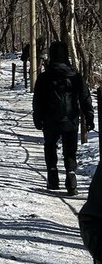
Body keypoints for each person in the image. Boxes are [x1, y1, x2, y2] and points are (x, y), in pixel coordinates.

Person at [32, 41, 95, 195]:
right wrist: (89, 116)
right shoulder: (75, 76)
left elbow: (38, 100)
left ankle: (52, 177)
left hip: (50, 119)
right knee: (70, 149)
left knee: (50, 145)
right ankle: (71, 178)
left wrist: (37, 117)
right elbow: (85, 98)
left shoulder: (44, 77)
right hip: (71, 118)